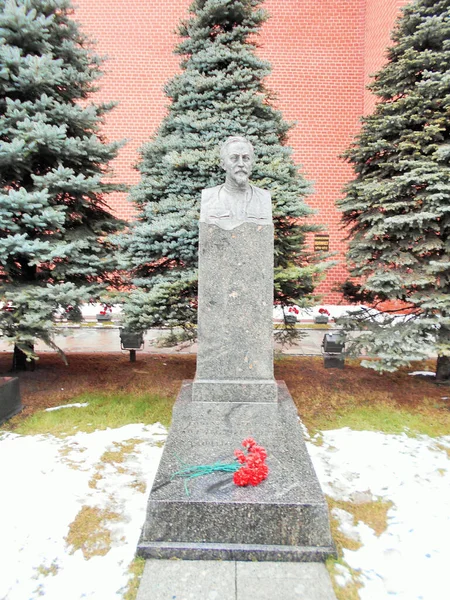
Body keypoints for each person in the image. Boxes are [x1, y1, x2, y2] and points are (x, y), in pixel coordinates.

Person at [200, 136, 272, 230]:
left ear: (252, 164)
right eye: (234, 158)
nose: (241, 164)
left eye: (246, 158)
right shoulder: (209, 197)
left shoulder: (263, 198)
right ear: (223, 164)